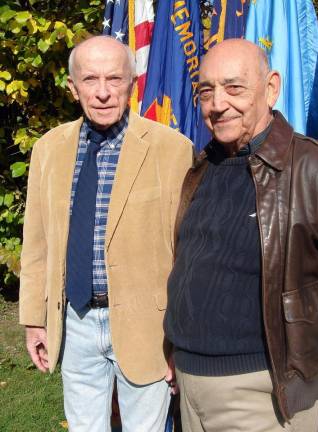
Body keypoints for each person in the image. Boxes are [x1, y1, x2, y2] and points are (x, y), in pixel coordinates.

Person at [163, 39, 318, 432]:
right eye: (206, 90)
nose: (217, 103)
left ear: (271, 87)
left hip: (266, 397)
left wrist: (305, 372)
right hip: (190, 386)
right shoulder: (203, 167)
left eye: (234, 88)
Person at [19, 35, 192, 432]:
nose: (101, 93)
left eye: (114, 79)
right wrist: (34, 319)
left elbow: (186, 253)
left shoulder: (172, 149)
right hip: (75, 322)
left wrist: (179, 336)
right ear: (72, 86)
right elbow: (37, 243)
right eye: (90, 79)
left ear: (133, 82)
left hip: (147, 327)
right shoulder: (48, 149)